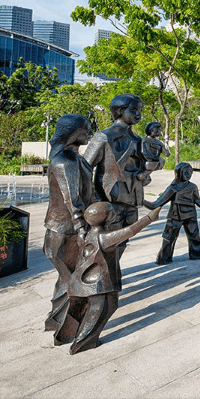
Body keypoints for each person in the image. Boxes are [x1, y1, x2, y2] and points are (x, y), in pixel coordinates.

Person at [55, 202, 161, 354]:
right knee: (106, 307)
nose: (114, 214)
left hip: (80, 281)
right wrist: (149, 218)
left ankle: (63, 336)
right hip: (99, 286)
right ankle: (83, 342)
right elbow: (130, 231)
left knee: (76, 311)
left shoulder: (86, 233)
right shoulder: (104, 238)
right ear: (107, 218)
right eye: (112, 213)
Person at [43, 114, 93, 334]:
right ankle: (68, 329)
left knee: (67, 279)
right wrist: (82, 229)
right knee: (72, 280)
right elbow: (72, 199)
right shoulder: (65, 161)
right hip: (65, 232)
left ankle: (57, 320)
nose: (89, 134)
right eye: (85, 131)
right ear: (73, 134)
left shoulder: (76, 158)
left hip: (67, 230)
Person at [83, 94, 145, 258]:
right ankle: (106, 277)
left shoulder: (138, 140)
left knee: (123, 240)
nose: (138, 114)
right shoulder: (104, 137)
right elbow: (84, 169)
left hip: (131, 199)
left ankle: (112, 273)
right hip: (109, 201)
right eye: (133, 110)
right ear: (119, 111)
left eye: (140, 110)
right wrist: (94, 199)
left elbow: (138, 168)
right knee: (106, 244)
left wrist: (144, 175)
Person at [145, 162, 200, 265]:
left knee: (195, 237)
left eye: (190, 172)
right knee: (169, 239)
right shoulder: (172, 188)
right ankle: (164, 258)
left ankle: (196, 254)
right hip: (175, 216)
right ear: (178, 173)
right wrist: (141, 200)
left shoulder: (193, 187)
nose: (189, 175)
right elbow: (156, 204)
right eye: (186, 172)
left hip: (191, 215)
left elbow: (197, 200)